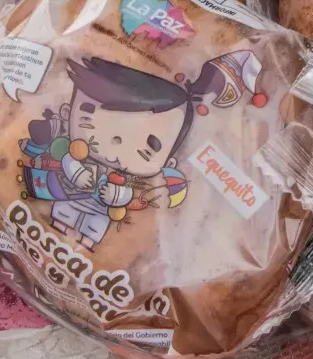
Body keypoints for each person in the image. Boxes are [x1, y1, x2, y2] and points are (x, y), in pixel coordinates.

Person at [18, 56, 235, 250]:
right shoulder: (76, 154)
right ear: (67, 113)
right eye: (89, 116)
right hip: (69, 195)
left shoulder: (126, 181)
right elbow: (68, 161)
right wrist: (76, 174)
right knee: (64, 212)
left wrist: (117, 196)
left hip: (100, 210)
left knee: (96, 225)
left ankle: (88, 242)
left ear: (168, 161)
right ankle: (60, 226)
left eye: (153, 144)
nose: (116, 140)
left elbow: (127, 197)